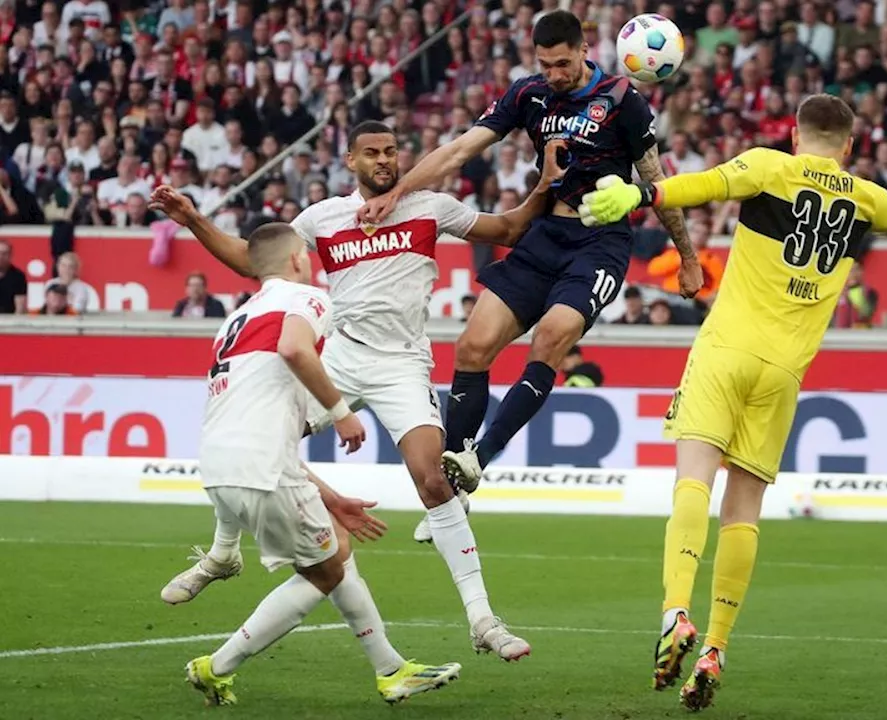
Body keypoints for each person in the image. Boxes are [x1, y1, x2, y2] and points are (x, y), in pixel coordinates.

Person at [577, 93, 887, 711]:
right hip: (783, 371)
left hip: (727, 348)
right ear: (851, 144)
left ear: (794, 133)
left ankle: (676, 612)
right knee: (745, 509)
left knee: (693, 480)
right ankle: (717, 647)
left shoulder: (768, 166)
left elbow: (702, 185)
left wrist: (641, 196)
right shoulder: (866, 198)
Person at [150, 120, 566, 663]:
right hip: (341, 356)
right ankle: (223, 554)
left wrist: (542, 187)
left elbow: (508, 230)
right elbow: (255, 261)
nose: (384, 161)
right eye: (372, 153)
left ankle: (483, 619)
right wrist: (193, 219)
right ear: (351, 161)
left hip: (401, 365)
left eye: (391, 151)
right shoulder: (321, 218)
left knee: (433, 481)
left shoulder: (429, 207)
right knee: (252, 429)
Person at [355, 11, 703, 505]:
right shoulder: (528, 94)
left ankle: (481, 456)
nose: (555, 75)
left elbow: (658, 181)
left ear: (584, 51)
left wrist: (687, 256)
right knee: (473, 345)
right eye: (546, 65)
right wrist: (400, 192)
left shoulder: (624, 101)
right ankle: (451, 481)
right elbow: (460, 150)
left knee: (551, 336)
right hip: (544, 234)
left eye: (562, 64)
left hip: (599, 243)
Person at [181, 222, 462, 706]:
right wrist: (340, 411)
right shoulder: (307, 298)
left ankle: (391, 669)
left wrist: (329, 497)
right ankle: (216, 666)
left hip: (220, 463)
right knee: (326, 571)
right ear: (296, 260)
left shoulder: (236, 319)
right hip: (264, 466)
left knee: (335, 554)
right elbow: (293, 348)